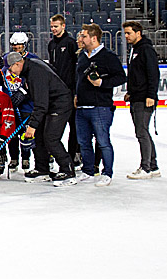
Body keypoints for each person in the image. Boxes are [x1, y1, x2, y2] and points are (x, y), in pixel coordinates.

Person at [4, 52, 75, 184]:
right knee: (40, 136)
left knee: (51, 138)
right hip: (51, 104)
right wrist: (25, 92)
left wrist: (32, 126)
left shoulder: (35, 73)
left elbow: (41, 104)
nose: (11, 72)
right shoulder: (30, 67)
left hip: (60, 105)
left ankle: (68, 170)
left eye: (10, 69)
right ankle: (42, 169)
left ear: (17, 64)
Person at [74, 24, 127, 186]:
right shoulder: (82, 56)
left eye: (83, 36)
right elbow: (78, 78)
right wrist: (76, 94)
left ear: (93, 38)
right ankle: (88, 171)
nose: (80, 39)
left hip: (100, 107)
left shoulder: (108, 56)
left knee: (103, 141)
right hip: (82, 106)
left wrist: (102, 82)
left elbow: (121, 77)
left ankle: (107, 173)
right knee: (83, 142)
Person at [122, 21, 160, 179]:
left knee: (141, 131)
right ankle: (153, 165)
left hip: (145, 98)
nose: (126, 36)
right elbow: (135, 74)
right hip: (136, 96)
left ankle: (146, 168)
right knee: (143, 131)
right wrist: (130, 91)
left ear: (138, 33)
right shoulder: (135, 50)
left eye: (129, 33)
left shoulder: (146, 50)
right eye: (125, 33)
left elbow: (153, 74)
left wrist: (151, 95)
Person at [0, 42, 39, 173]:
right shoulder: (6, 62)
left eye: (19, 44)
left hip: (26, 106)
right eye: (14, 44)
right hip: (10, 104)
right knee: (11, 132)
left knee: (25, 133)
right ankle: (14, 158)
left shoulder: (30, 61)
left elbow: (33, 82)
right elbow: (1, 80)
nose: (17, 46)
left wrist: (24, 94)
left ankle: (26, 158)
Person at [48, 14, 80, 166]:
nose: (53, 29)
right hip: (56, 93)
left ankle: (74, 155)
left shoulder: (71, 43)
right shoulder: (51, 44)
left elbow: (76, 68)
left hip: (70, 91)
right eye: (52, 26)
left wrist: (75, 91)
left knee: (73, 127)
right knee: (55, 128)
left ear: (63, 26)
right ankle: (56, 154)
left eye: (56, 26)